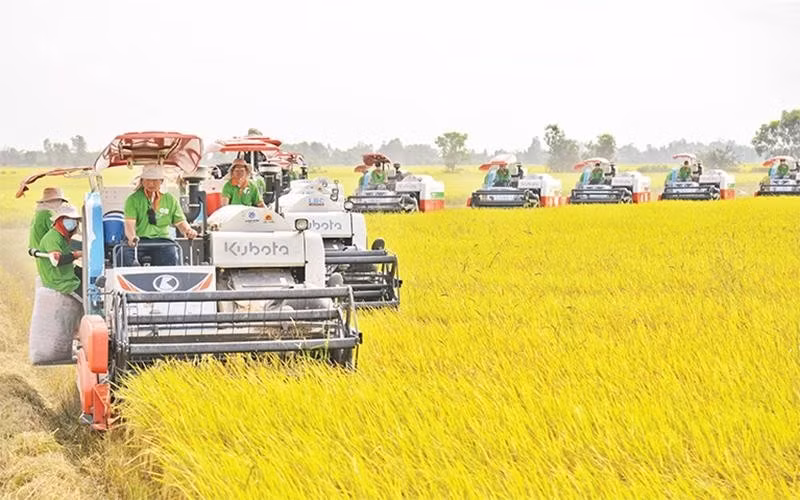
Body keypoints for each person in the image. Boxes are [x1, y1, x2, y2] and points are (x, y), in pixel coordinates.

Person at [123, 165, 198, 266]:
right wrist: (132, 238)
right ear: (142, 181)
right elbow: (129, 224)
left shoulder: (170, 199)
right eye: (147, 180)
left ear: (161, 181)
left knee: (171, 255)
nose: (151, 183)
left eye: (154, 180)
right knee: (124, 255)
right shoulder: (133, 199)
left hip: (163, 241)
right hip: (139, 241)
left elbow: (180, 222)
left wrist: (188, 230)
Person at [36, 205, 83, 301]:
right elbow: (56, 261)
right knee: (92, 301)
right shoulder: (53, 238)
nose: (73, 222)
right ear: (59, 220)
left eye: (74, 219)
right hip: (61, 282)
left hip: (66, 278)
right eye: (69, 219)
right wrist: (76, 255)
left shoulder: (62, 237)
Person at [29, 187, 70, 253]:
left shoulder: (39, 212)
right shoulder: (48, 214)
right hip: (44, 250)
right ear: (54, 201)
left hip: (36, 248)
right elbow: (59, 233)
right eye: (60, 201)